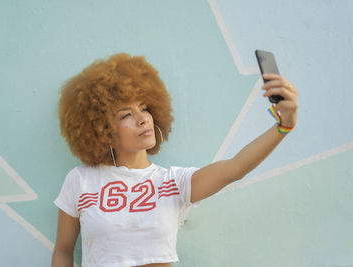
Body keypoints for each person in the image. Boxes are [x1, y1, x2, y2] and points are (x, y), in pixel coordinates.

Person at [51, 53, 298, 267]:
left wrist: (283, 126)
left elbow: (234, 168)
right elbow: (63, 250)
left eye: (144, 108)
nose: (142, 118)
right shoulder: (80, 180)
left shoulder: (172, 182)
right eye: (126, 114)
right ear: (102, 129)